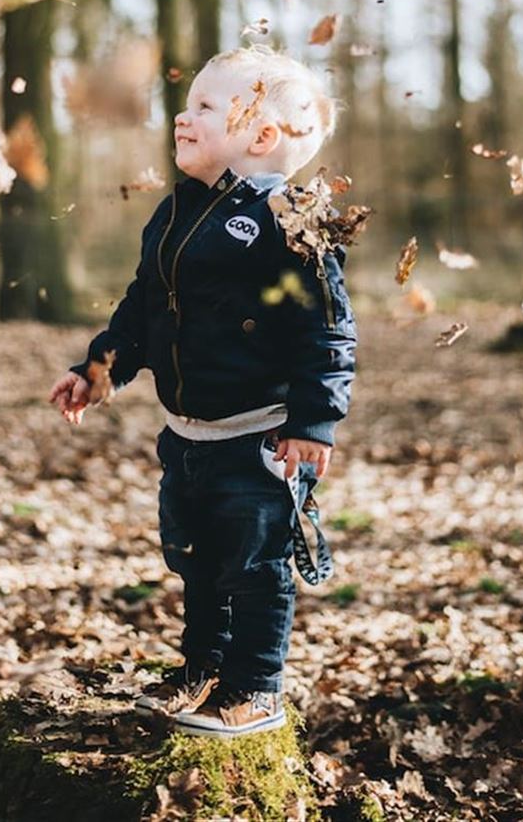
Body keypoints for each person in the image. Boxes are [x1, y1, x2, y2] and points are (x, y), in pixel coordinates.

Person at [49, 46, 358, 738]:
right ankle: (203, 669)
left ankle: (256, 686)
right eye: (187, 106)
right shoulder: (177, 213)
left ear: (261, 136)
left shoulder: (290, 218)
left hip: (259, 438)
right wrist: (99, 368)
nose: (183, 119)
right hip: (186, 437)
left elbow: (328, 329)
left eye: (207, 108)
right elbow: (143, 308)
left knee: (253, 564)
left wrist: (314, 422)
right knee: (197, 560)